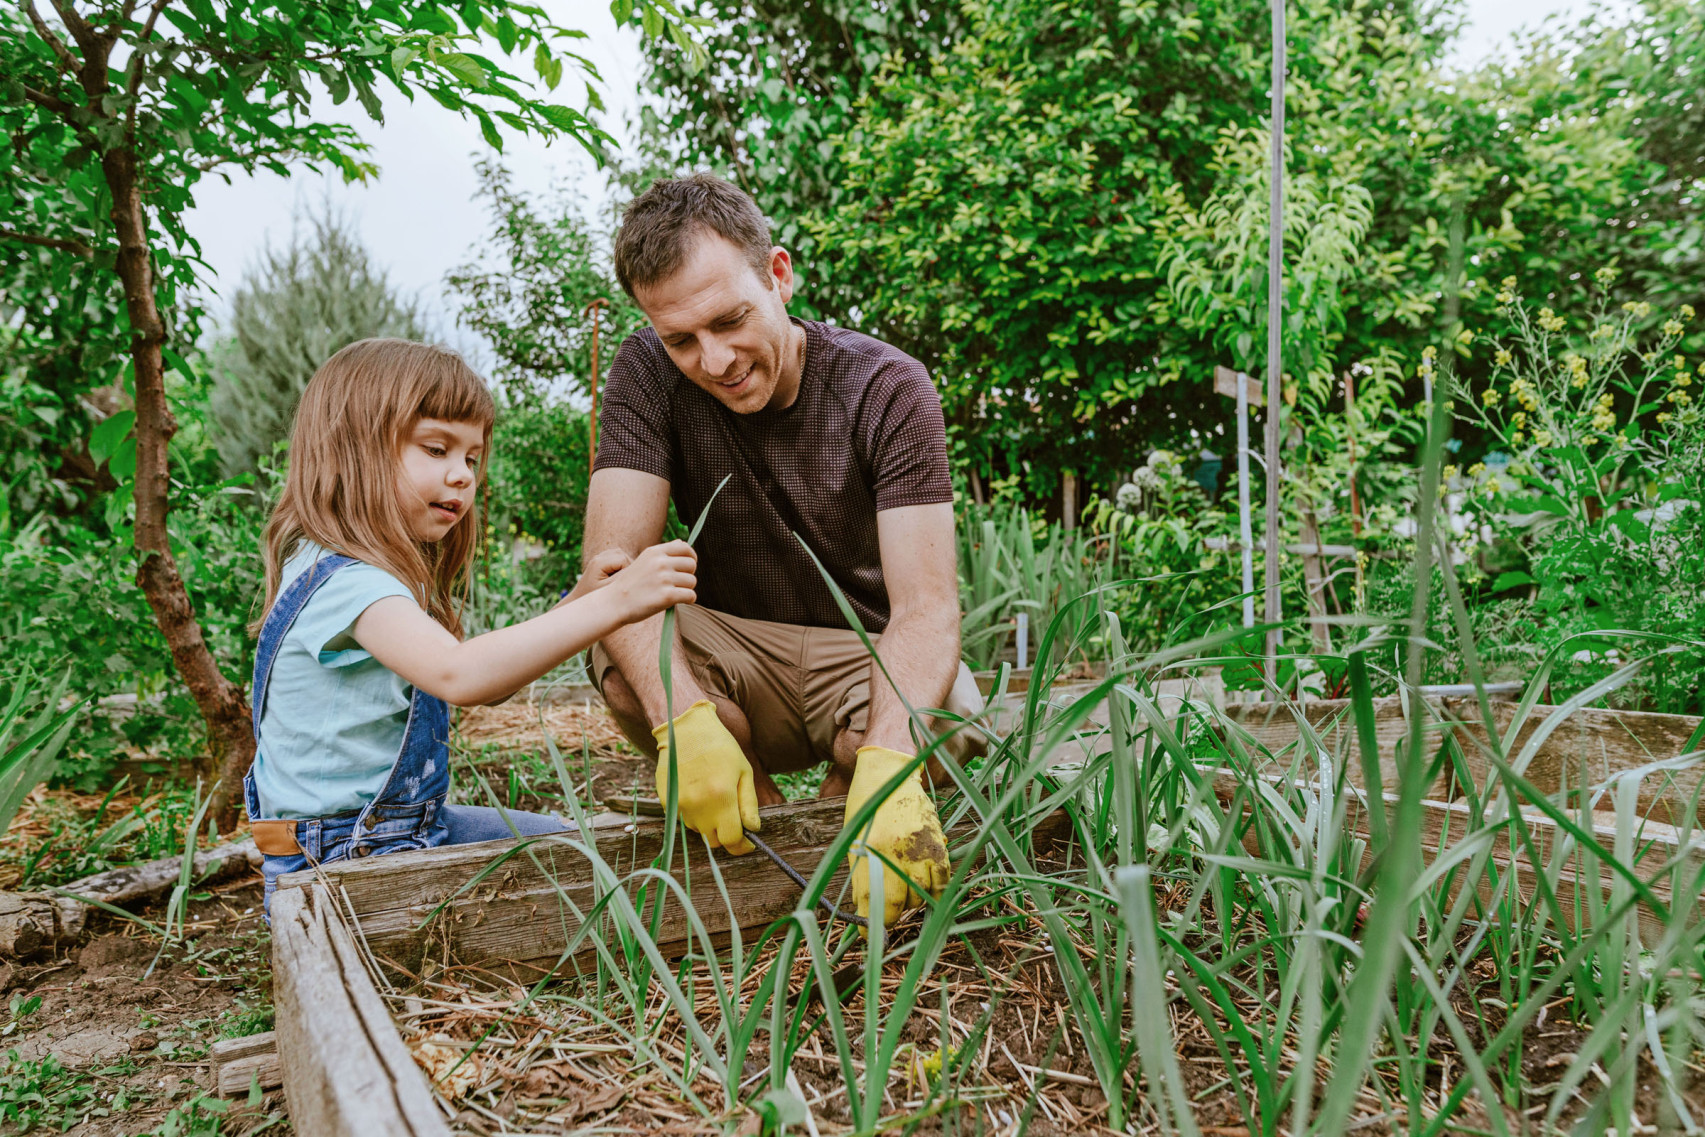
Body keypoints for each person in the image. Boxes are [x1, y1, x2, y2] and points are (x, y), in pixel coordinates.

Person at [582, 174, 984, 929]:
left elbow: (926, 607)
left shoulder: (887, 385)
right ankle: (753, 822)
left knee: (953, 703)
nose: (714, 359)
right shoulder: (645, 372)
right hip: (732, 657)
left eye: (729, 320)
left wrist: (890, 759)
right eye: (680, 339)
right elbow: (610, 571)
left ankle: (844, 830)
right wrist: (680, 718)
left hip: (857, 653)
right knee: (617, 652)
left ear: (778, 274)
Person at [246, 338, 696, 915]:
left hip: (399, 829)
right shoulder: (348, 584)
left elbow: (488, 683)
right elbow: (463, 676)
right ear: (352, 448)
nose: (461, 475)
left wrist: (581, 600)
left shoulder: (348, 571)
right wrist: (616, 605)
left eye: (472, 458)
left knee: (575, 850)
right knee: (578, 880)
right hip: (345, 857)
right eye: (437, 449)